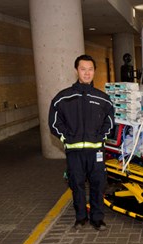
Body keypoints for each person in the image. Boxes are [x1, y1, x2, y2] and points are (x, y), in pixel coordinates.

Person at [48, 54, 115, 231]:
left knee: (98, 184)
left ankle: (97, 219)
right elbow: (54, 123)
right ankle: (80, 217)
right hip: (74, 153)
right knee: (76, 185)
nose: (87, 73)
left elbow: (110, 122)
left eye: (90, 69)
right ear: (76, 70)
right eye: (83, 69)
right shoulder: (63, 98)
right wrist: (67, 138)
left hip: (96, 153)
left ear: (94, 71)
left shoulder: (103, 98)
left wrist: (101, 137)